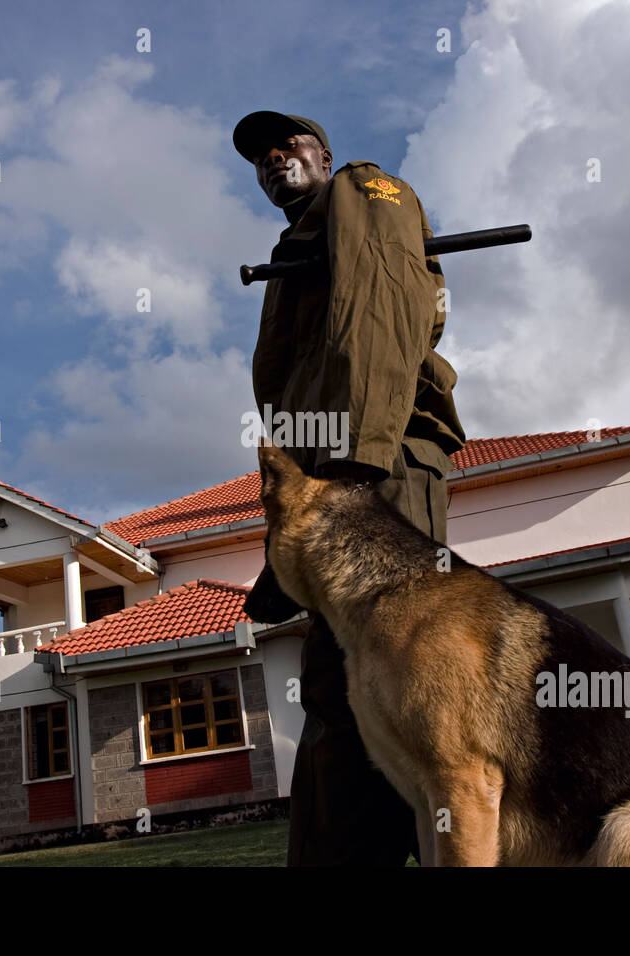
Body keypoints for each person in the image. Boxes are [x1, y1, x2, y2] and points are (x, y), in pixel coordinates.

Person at [233, 112, 466, 865]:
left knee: (385, 675)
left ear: (324, 155)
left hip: (376, 463)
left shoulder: (364, 188)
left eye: (287, 147)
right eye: (260, 159)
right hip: (335, 474)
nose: (273, 161)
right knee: (342, 683)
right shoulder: (299, 240)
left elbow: (381, 305)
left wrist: (349, 467)